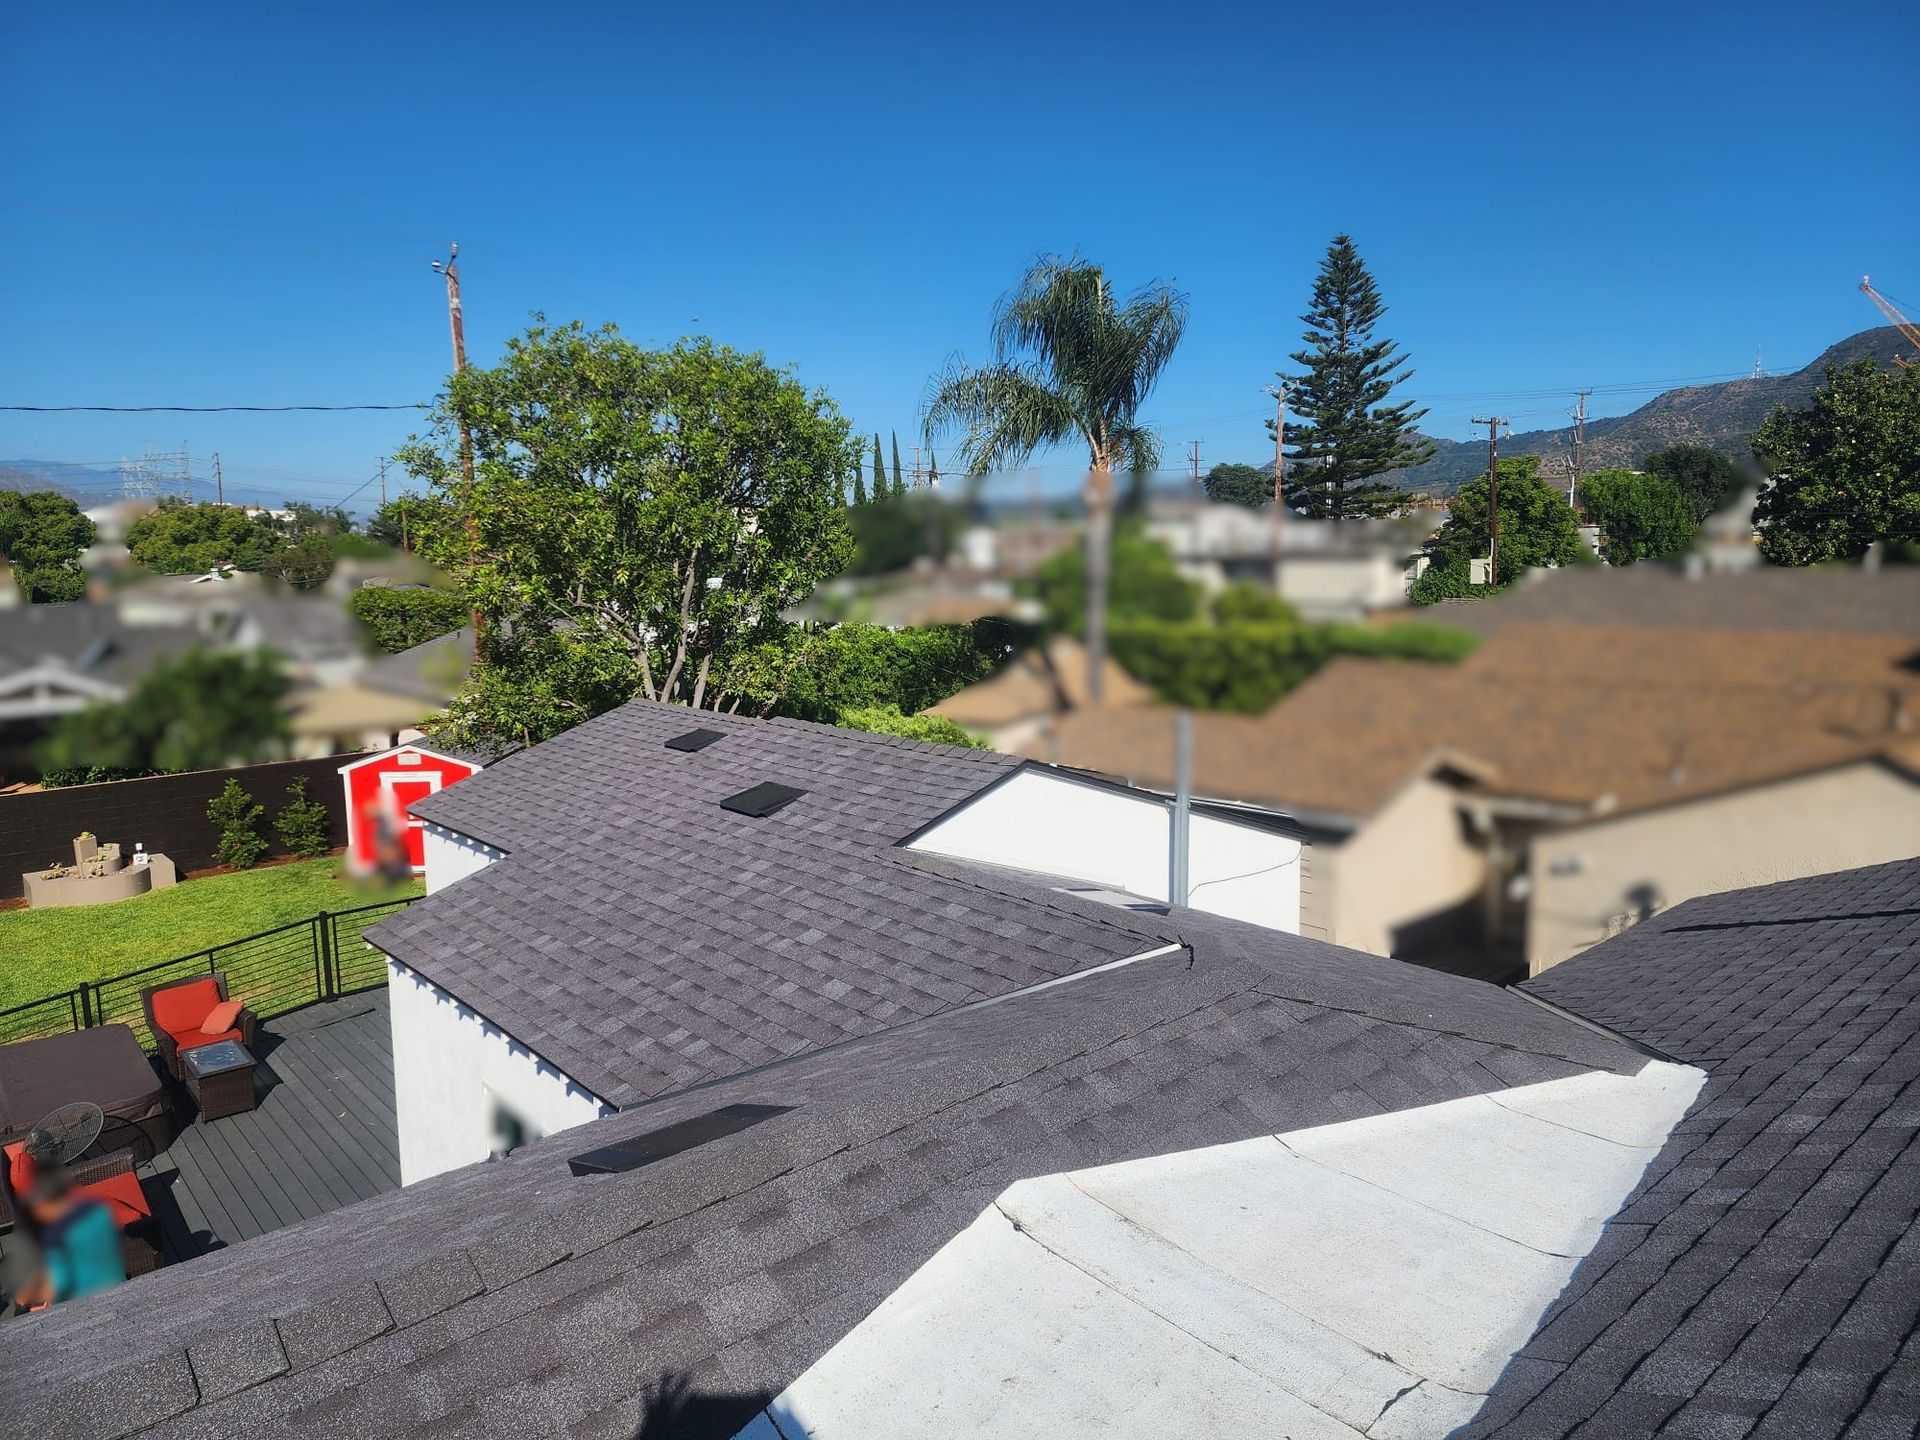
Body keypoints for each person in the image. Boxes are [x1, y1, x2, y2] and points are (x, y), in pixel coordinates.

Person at [8, 1160, 126, 1310]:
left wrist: (36, 1300)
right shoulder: (98, 1211)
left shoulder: (56, 1234)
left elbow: (61, 1283)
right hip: (118, 1283)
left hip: (86, 1303)